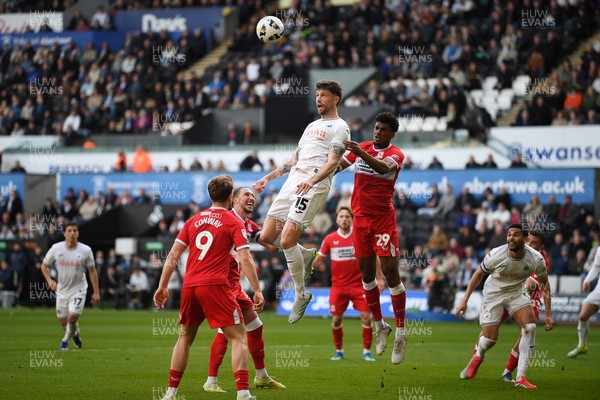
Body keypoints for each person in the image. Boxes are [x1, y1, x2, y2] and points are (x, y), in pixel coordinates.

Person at [153, 175, 263, 400]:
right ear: (231, 198)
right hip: (216, 285)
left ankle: (170, 393)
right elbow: (246, 258)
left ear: (210, 195)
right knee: (238, 338)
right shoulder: (234, 222)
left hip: (190, 285)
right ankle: (243, 392)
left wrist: (162, 286)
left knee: (184, 336)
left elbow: (173, 256)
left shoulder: (192, 220)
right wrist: (257, 290)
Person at [253, 80, 350, 324]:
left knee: (286, 240)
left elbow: (333, 162)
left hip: (315, 184)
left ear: (335, 99)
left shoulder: (341, 127)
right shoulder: (310, 126)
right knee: (266, 236)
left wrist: (312, 180)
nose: (319, 99)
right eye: (317, 95)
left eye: (324, 95)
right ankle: (305, 256)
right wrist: (268, 177)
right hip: (294, 181)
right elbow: (293, 159)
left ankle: (301, 294)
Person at [338, 111, 407, 364]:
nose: (377, 132)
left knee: (390, 275)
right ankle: (381, 327)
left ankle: (401, 332)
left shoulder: (395, 155)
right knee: (367, 276)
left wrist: (359, 152)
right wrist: (318, 174)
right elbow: (339, 166)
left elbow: (381, 168)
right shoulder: (362, 148)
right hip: (360, 221)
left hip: (383, 222)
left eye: (382, 130)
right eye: (376, 128)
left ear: (391, 134)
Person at [203, 187, 285, 392]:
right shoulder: (224, 219)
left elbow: (272, 245)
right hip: (221, 285)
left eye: (253, 196)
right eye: (246, 195)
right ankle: (211, 382)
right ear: (234, 199)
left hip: (234, 286)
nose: (251, 198)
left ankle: (262, 377)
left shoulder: (248, 225)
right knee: (227, 331)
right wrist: (233, 254)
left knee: (255, 327)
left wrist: (287, 229)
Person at [455, 224, 553, 389]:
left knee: (530, 327)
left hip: (516, 292)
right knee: (490, 340)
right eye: (509, 235)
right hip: (494, 294)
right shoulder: (496, 254)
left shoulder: (536, 259)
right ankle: (478, 355)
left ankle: (520, 378)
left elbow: (545, 284)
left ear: (523, 238)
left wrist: (548, 313)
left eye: (515, 235)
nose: (511, 238)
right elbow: (478, 274)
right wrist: (464, 300)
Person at [313, 207, 375, 361]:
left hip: (359, 286)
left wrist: (379, 278)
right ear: (336, 219)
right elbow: (319, 258)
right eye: (341, 216)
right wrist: (307, 265)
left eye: (347, 216)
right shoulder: (329, 239)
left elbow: (375, 256)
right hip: (338, 287)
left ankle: (367, 352)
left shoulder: (360, 237)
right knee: (336, 320)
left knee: (366, 318)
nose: (344, 219)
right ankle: (339, 351)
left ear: (352, 219)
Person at [41, 221, 100, 350]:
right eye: (70, 231)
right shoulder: (56, 248)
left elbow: (92, 270)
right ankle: (75, 334)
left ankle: (65, 341)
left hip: (79, 289)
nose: (72, 233)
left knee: (72, 317)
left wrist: (96, 292)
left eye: (75, 231)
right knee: (63, 322)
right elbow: (44, 265)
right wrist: (49, 280)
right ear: (65, 234)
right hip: (62, 290)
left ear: (78, 234)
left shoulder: (85, 250)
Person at [501, 230, 551, 382]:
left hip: (529, 298)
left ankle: (509, 372)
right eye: (528, 241)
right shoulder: (513, 250)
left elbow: (532, 285)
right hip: (506, 293)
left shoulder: (541, 260)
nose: (529, 244)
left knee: (528, 330)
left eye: (534, 242)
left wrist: (548, 313)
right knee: (490, 331)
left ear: (541, 246)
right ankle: (476, 358)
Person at [567, 246, 600, 358]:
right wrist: (587, 280)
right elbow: (596, 267)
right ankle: (582, 345)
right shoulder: (599, 250)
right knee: (583, 316)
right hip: (599, 291)